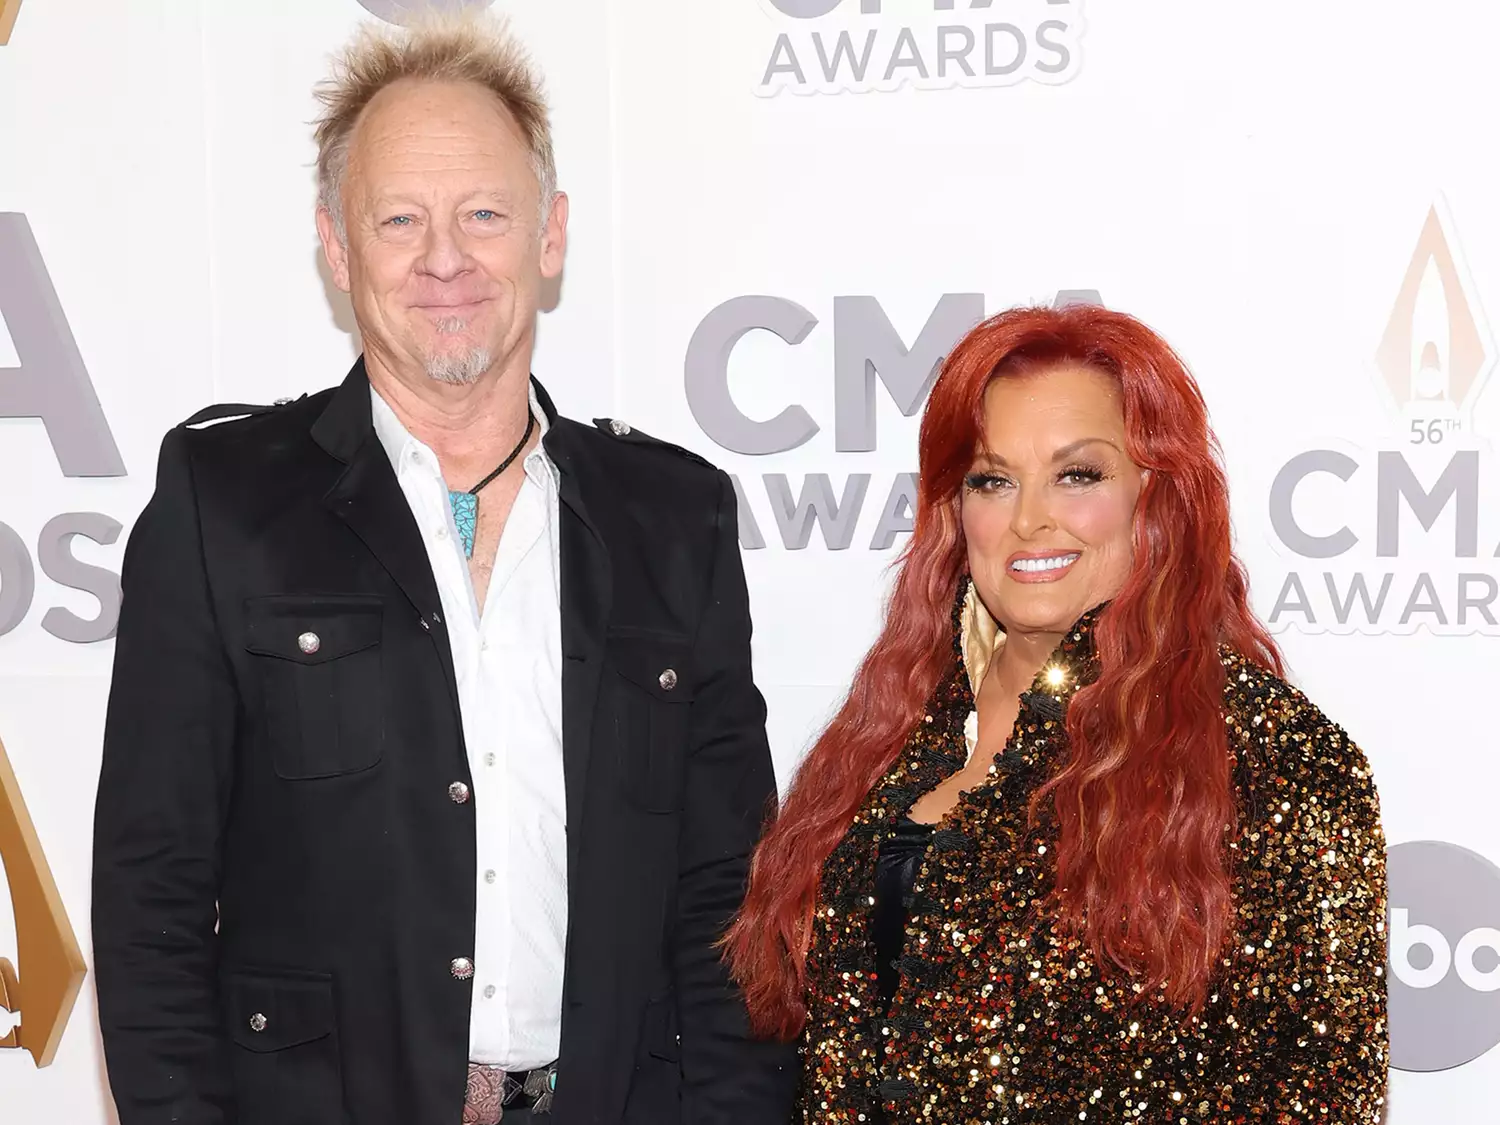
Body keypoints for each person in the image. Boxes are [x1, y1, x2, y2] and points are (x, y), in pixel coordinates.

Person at [91, 14, 794, 1125]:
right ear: (337, 246)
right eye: (399, 219)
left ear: (550, 235)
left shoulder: (677, 518)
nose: (445, 258)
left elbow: (729, 902)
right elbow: (153, 904)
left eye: (484, 214)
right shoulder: (220, 503)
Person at [726, 304, 1389, 1122]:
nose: (1030, 517)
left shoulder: (1273, 753)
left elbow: (1321, 1098)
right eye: (992, 478)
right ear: (953, 508)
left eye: (1078, 474)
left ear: (1158, 495)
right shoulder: (890, 732)